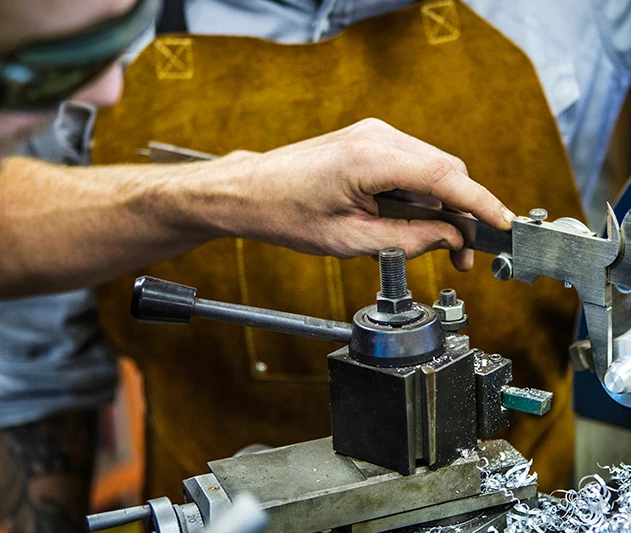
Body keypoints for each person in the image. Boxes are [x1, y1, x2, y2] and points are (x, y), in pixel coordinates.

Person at [0, 1, 513, 532]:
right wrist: (236, 188)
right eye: (52, 65)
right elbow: (36, 370)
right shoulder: (77, 14)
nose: (107, 89)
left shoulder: (575, 23)